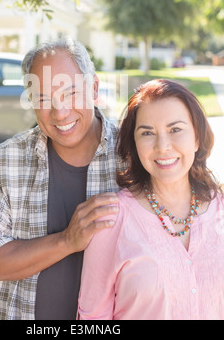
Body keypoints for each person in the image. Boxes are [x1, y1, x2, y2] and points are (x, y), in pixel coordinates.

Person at [0, 37, 122, 320]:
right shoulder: (4, 162)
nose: (59, 112)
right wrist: (66, 241)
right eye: (43, 98)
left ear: (94, 88)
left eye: (71, 93)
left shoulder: (133, 155)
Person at [78, 79, 224, 320]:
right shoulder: (111, 219)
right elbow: (93, 318)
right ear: (134, 145)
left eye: (175, 129)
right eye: (147, 133)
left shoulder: (220, 209)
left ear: (197, 138)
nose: (162, 146)